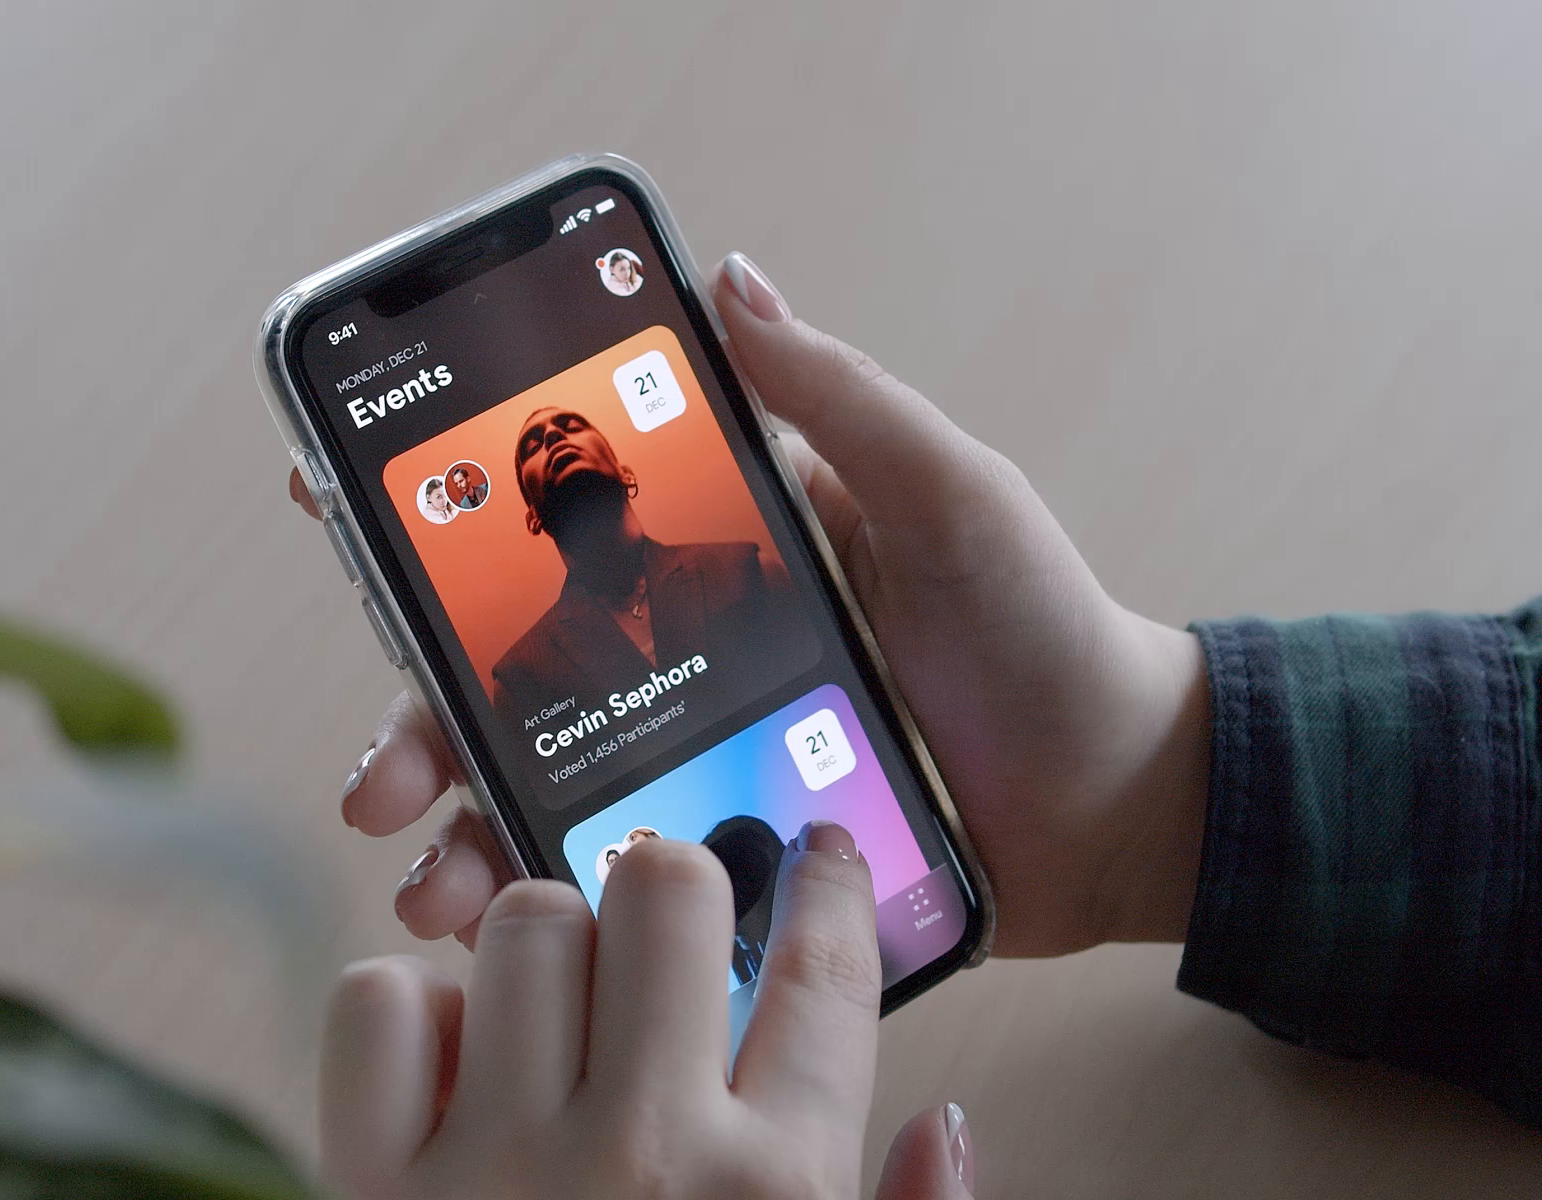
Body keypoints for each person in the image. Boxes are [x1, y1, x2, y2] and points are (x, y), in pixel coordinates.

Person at [305, 251, 1541, 1197]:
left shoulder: (745, 561)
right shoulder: (516, 668)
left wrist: (1147, 792)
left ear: (624, 476)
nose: (568, 471)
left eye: (583, 457)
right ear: (535, 519)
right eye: (550, 480)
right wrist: (1148, 790)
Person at [488, 404, 809, 729]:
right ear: (533, 518)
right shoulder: (519, 680)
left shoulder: (749, 571)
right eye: (533, 447)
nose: (553, 435)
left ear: (626, 473)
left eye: (571, 426)